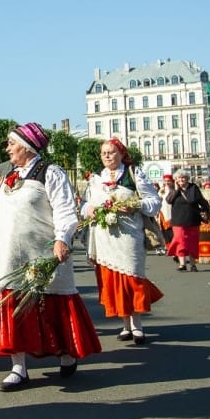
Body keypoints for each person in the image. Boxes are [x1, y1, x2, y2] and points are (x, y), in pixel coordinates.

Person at [0, 123, 100, 391]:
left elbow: (65, 209)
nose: (7, 148)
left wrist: (62, 238)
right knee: (12, 305)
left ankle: (66, 353)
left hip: (41, 252)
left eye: (11, 144)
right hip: (9, 255)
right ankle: (18, 367)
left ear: (26, 146)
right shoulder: (5, 173)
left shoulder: (51, 172)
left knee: (51, 305)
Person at [80, 138, 163, 345]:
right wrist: (89, 210)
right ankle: (126, 325)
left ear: (121, 153)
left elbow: (154, 202)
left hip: (128, 236)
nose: (107, 156)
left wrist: (135, 205)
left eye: (111, 152)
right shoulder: (96, 179)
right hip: (104, 237)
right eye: (104, 153)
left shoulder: (133, 174)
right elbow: (85, 205)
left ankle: (137, 325)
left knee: (132, 278)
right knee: (112, 279)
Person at [166, 169, 210, 272]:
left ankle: (193, 264)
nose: (181, 180)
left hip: (192, 219)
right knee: (180, 241)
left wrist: (207, 212)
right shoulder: (174, 189)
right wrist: (177, 190)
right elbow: (169, 200)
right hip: (178, 220)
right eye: (179, 178)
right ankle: (182, 264)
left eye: (183, 177)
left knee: (192, 242)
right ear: (176, 180)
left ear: (187, 178)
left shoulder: (193, 188)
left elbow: (199, 200)